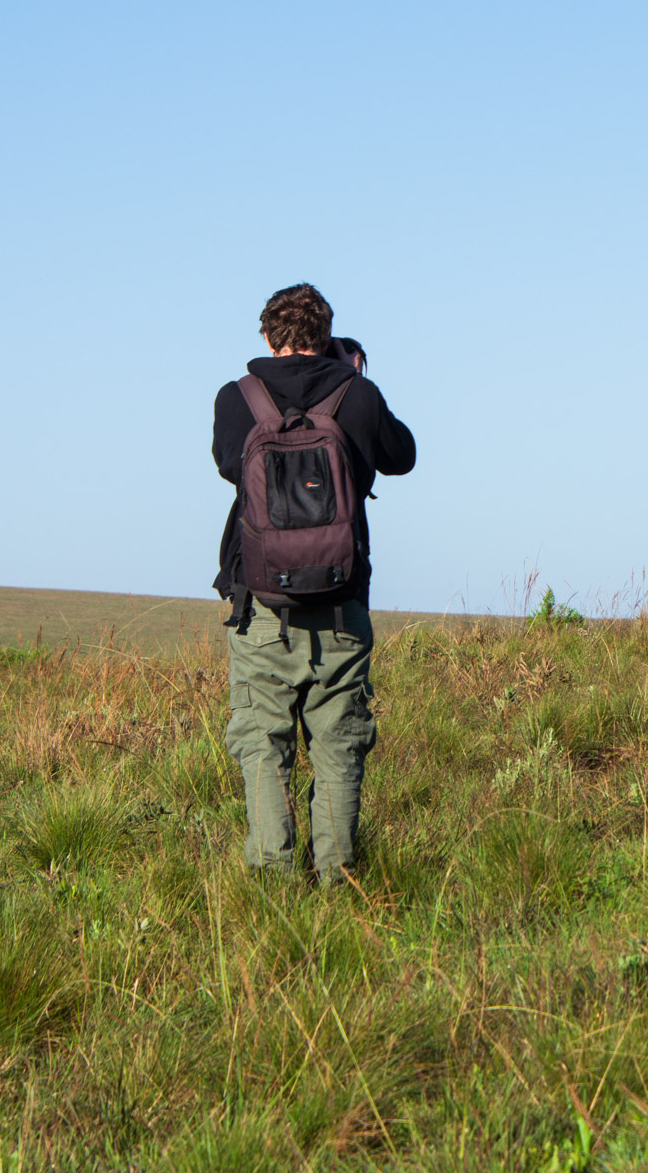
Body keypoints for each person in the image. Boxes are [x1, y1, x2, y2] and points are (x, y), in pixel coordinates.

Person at [211, 284, 416, 885]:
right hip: (341, 602)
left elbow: (229, 465)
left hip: (260, 605)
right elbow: (401, 456)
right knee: (339, 745)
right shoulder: (358, 393)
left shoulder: (236, 398)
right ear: (325, 336)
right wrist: (355, 382)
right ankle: (339, 882)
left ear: (269, 337)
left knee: (261, 744)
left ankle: (273, 885)